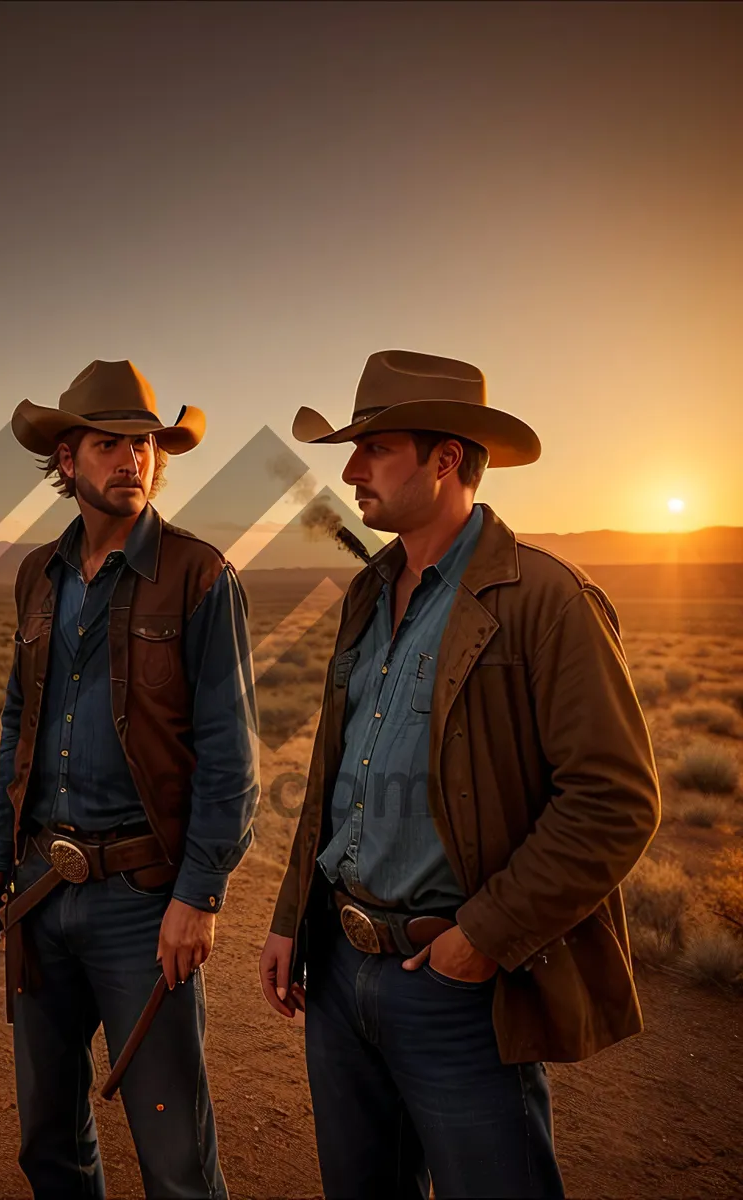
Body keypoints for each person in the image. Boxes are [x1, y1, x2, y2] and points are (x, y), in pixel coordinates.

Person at [258, 349, 661, 1199]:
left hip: (454, 990)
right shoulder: (369, 592)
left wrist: (479, 940)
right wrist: (294, 914)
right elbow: (338, 776)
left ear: (446, 461)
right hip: (337, 973)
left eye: (376, 449)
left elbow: (614, 801)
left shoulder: (545, 600)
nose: (352, 470)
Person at [0, 359, 259, 1199]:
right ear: (67, 460)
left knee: (175, 1160)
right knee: (46, 1139)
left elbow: (232, 760)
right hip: (37, 888)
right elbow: (19, 725)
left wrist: (199, 895)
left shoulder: (200, 576)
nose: (132, 460)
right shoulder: (38, 576)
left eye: (143, 445)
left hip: (143, 901)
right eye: (109, 444)